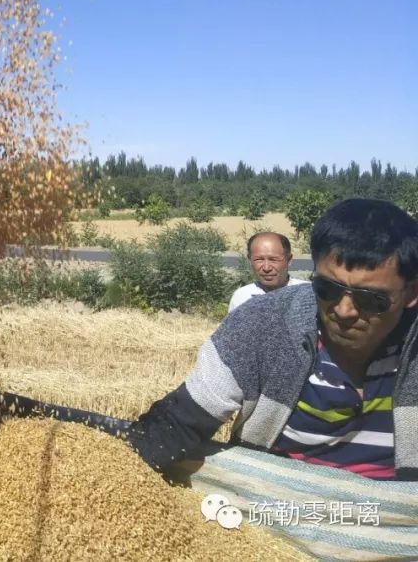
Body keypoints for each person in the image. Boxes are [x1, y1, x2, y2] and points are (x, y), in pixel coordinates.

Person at [127, 198, 418, 481]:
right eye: (328, 289)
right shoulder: (260, 324)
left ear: (410, 293)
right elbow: (178, 423)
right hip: (274, 507)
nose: (344, 311)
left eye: (371, 300)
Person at [227, 231, 296, 312]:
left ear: (289, 260)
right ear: (250, 260)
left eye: (273, 259)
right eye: (259, 259)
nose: (266, 268)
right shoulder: (242, 297)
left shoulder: (308, 293)